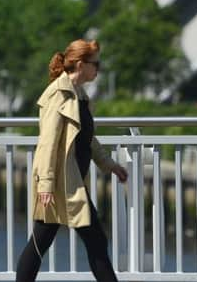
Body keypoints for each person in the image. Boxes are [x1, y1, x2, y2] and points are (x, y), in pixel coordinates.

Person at [16, 39, 128, 282]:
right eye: (95, 63)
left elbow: (87, 138)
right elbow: (47, 142)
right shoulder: (59, 94)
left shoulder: (78, 94)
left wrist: (110, 165)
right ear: (80, 64)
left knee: (46, 243)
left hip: (72, 180)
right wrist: (45, 184)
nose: (98, 68)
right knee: (50, 243)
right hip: (59, 183)